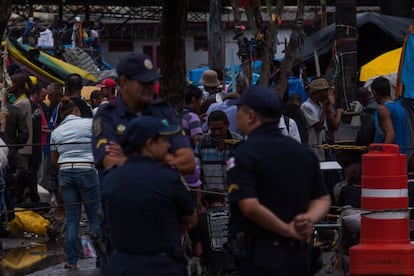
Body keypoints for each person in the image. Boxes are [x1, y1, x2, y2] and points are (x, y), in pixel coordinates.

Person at [227, 86, 331, 275]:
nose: (236, 117)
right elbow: (322, 198)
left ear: (250, 116)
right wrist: (308, 219)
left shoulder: (244, 154)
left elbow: (249, 206)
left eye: (239, 111)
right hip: (298, 256)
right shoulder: (304, 154)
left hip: (260, 258)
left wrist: (286, 229)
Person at [101, 115, 197, 275]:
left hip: (120, 266)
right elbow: (191, 219)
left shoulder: (111, 177)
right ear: (150, 144)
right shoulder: (168, 178)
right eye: (164, 140)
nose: (168, 145)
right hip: (161, 266)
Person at [92, 53, 194, 174]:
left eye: (152, 82)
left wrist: (128, 159)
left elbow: (188, 162)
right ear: (124, 81)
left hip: (161, 191)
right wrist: (165, 158)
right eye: (143, 82)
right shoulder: (107, 114)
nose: (150, 87)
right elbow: (111, 163)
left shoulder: (163, 111)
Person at [50, 97, 101, 270]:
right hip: (87, 169)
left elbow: (53, 159)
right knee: (94, 216)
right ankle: (101, 258)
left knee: (72, 218)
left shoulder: (56, 131)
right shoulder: (89, 124)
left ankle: (72, 261)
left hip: (65, 171)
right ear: (76, 110)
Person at [195, 110, 243, 191]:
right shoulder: (202, 142)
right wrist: (200, 197)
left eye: (220, 129)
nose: (217, 133)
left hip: (234, 198)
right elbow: (197, 172)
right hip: (211, 199)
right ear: (208, 126)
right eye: (213, 129)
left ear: (228, 125)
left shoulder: (239, 141)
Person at [193, 190, 235, 274]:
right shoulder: (234, 215)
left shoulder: (199, 219)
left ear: (206, 203)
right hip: (236, 267)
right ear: (223, 202)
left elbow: (198, 251)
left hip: (213, 269)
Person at [371, 76, 408, 153]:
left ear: (374, 92)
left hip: (390, 156)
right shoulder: (401, 108)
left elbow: (390, 134)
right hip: (402, 154)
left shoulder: (383, 109)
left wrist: (382, 154)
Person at [301, 77, 330, 161]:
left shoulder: (320, 106)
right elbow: (319, 126)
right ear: (317, 92)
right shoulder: (306, 106)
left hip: (322, 145)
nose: (326, 94)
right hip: (313, 145)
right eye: (324, 91)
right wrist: (324, 108)